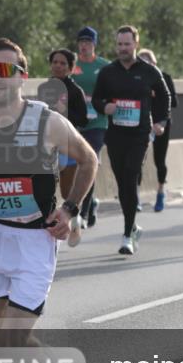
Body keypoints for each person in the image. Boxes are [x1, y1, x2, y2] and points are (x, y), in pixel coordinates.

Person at [0, 38, 98, 346]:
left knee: (13, 339)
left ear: (22, 76)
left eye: (3, 69)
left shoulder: (47, 122)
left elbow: (88, 159)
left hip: (34, 241)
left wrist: (70, 209)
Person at [90, 26, 170, 255]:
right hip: (115, 134)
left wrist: (162, 122)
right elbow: (97, 98)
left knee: (131, 173)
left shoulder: (148, 71)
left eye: (127, 44)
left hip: (140, 133)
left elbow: (164, 96)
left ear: (135, 44)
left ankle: (126, 234)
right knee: (123, 183)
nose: (123, 48)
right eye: (119, 44)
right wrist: (105, 106)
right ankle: (133, 226)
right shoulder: (108, 72)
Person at [37, 49, 89, 247]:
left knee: (68, 191)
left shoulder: (75, 91)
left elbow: (83, 119)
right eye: (55, 62)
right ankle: (45, 223)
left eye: (63, 63)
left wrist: (62, 113)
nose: (58, 66)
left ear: (71, 68)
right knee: (46, 186)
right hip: (46, 146)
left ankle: (74, 221)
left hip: (67, 145)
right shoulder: (44, 88)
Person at [71, 26, 110, 229]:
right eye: (81, 42)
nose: (84, 45)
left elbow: (112, 90)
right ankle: (91, 200)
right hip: (77, 122)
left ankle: (83, 211)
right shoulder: (72, 65)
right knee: (77, 164)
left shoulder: (104, 66)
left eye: (88, 42)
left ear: (94, 44)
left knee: (89, 161)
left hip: (98, 122)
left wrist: (97, 100)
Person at [137, 48, 178, 212]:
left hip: (160, 122)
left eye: (148, 63)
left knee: (159, 160)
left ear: (154, 64)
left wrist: (161, 122)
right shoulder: (136, 78)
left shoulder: (164, 78)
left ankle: (161, 191)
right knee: (137, 160)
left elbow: (173, 102)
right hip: (141, 123)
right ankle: (136, 196)